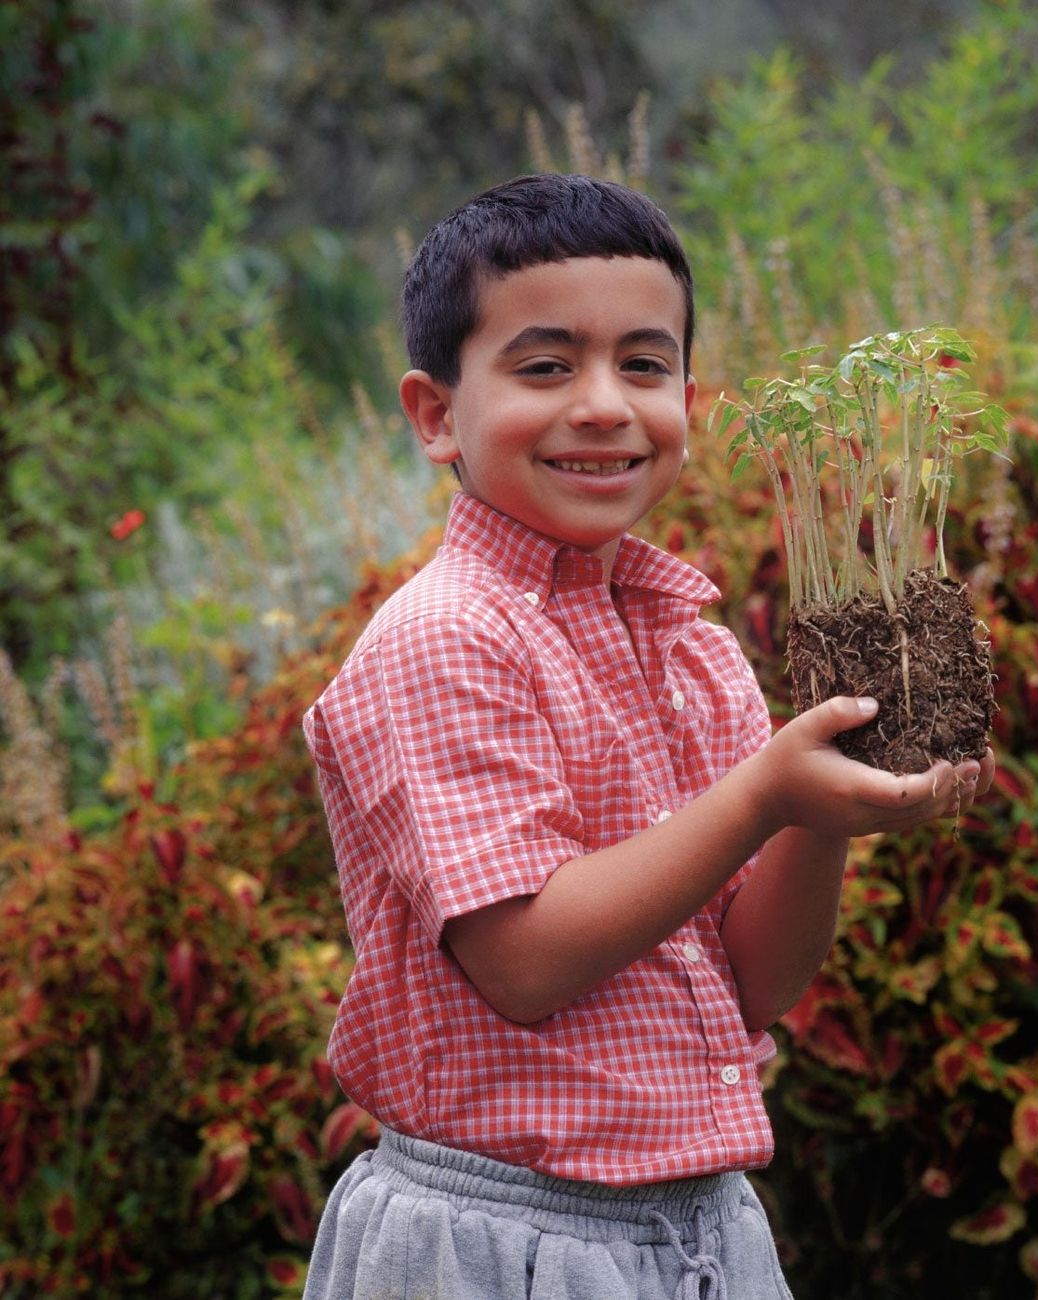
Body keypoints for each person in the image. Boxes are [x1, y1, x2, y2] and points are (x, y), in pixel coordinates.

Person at [301, 173, 994, 1300]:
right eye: (543, 366)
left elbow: (751, 981)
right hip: (491, 1240)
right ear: (435, 415)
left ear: (686, 391)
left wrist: (813, 818)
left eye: (642, 363)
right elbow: (523, 963)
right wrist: (761, 797)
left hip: (697, 1229)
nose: (603, 405)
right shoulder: (441, 641)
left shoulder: (688, 644)